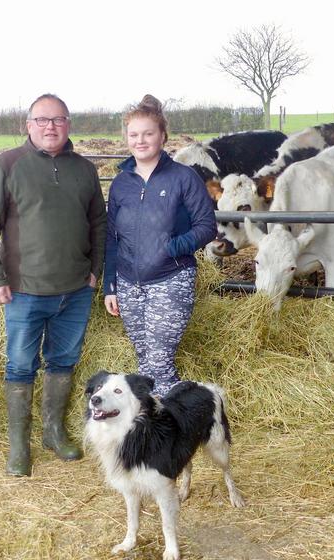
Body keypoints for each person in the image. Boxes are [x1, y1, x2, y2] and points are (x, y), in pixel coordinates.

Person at [0, 93, 107, 476]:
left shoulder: (83, 169)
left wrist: (95, 269)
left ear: (68, 125)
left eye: (59, 119)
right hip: (23, 290)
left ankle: (53, 431)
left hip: (75, 290)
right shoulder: (6, 166)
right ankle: (19, 445)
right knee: (20, 366)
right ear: (28, 125)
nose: (51, 126)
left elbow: (99, 222)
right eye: (42, 120)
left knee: (63, 360)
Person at [103, 95, 217, 396]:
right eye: (134, 134)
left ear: (162, 136)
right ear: (126, 138)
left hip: (170, 280)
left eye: (148, 133)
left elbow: (207, 226)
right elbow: (111, 236)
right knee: (144, 360)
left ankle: (168, 432)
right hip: (129, 284)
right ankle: (152, 428)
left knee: (159, 363)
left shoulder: (183, 177)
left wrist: (173, 247)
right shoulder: (121, 183)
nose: (141, 141)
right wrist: (110, 286)